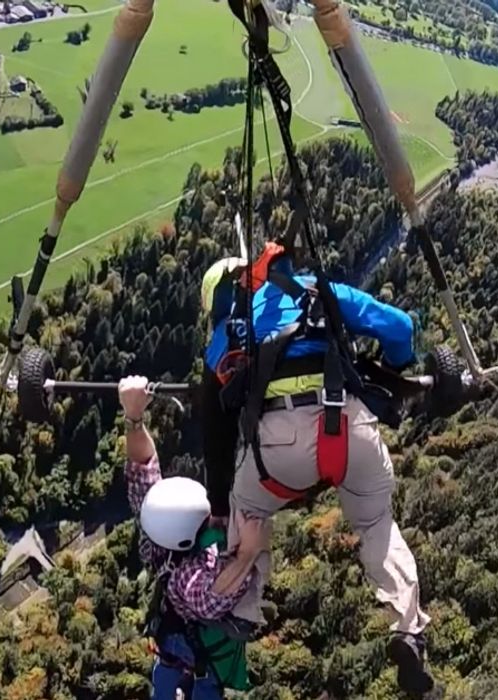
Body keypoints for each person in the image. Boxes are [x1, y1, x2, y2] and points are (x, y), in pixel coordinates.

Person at [197, 246, 438, 697]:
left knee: (247, 510)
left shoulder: (224, 338)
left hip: (278, 451)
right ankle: (407, 628)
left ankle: (242, 606)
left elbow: (215, 427)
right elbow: (400, 327)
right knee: (375, 524)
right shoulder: (319, 291)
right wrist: (398, 364)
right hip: (348, 430)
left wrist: (218, 503)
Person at [119, 375, 268, 699]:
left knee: (164, 689)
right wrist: (247, 554)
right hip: (200, 664)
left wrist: (133, 416)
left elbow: (142, 466)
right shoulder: (189, 577)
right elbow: (212, 598)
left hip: (172, 650)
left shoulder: (154, 530)